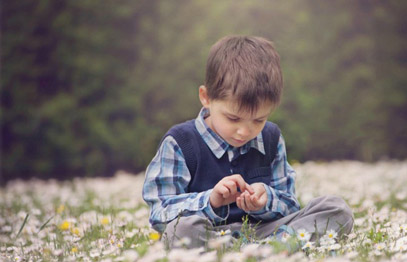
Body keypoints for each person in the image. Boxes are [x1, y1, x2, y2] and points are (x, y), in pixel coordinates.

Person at [142, 35, 353, 248]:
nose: (244, 131)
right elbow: (160, 213)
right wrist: (211, 201)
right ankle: (265, 251)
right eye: (232, 118)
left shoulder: (271, 138)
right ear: (206, 97)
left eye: (259, 119)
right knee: (179, 230)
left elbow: (290, 205)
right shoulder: (180, 142)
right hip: (209, 235)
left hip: (265, 232)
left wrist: (266, 199)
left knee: (336, 209)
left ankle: (268, 249)